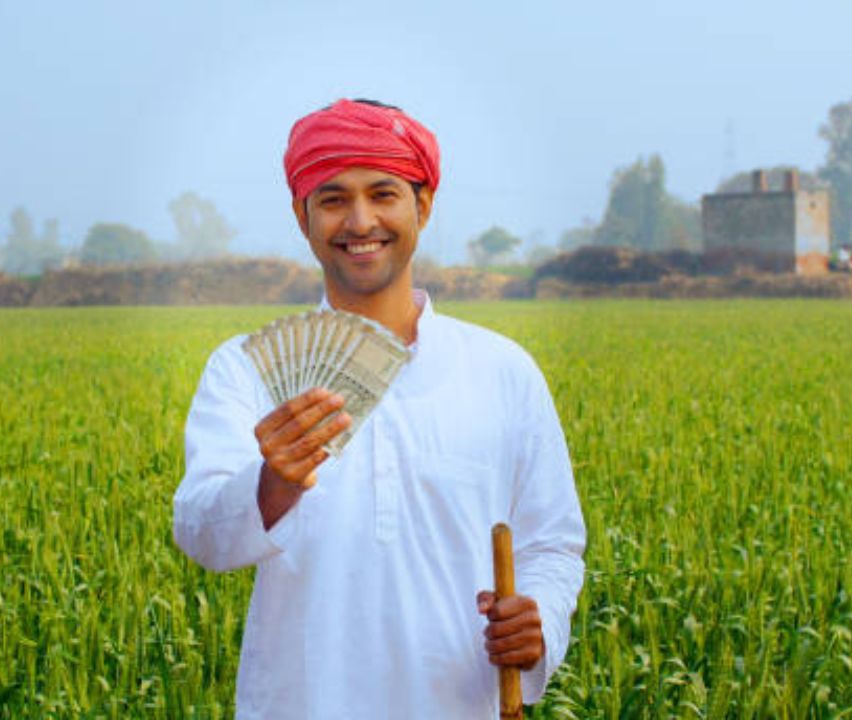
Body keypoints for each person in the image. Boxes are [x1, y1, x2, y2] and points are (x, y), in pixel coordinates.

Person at [173, 98, 586, 719]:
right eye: (333, 199)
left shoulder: (502, 371)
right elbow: (201, 533)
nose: (360, 220)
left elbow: (552, 543)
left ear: (422, 205)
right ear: (301, 215)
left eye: (383, 194)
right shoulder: (247, 369)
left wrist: (541, 627)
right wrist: (273, 483)